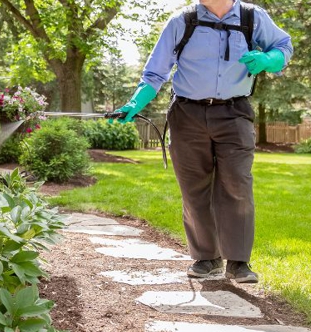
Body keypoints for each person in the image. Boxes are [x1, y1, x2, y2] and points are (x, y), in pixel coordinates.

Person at [115, 0, 293, 283]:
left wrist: (269, 60)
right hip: (188, 114)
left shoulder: (252, 17)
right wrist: (135, 103)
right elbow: (155, 73)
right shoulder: (181, 21)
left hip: (234, 112)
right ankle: (206, 258)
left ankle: (238, 262)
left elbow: (284, 46)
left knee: (237, 183)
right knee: (194, 187)